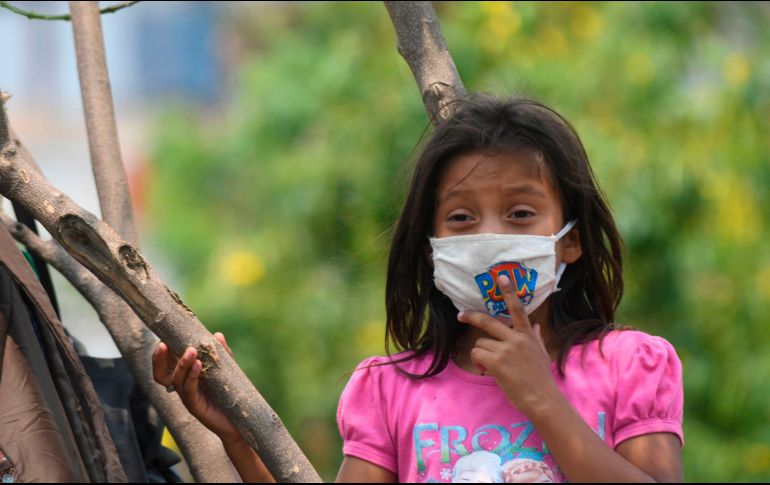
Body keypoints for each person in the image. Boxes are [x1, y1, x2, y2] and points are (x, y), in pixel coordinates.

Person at [152, 95, 684, 483]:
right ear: (431, 248)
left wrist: (544, 401)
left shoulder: (629, 367)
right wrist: (242, 439)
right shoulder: (390, 391)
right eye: (461, 217)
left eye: (521, 214)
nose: (491, 238)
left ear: (571, 241)